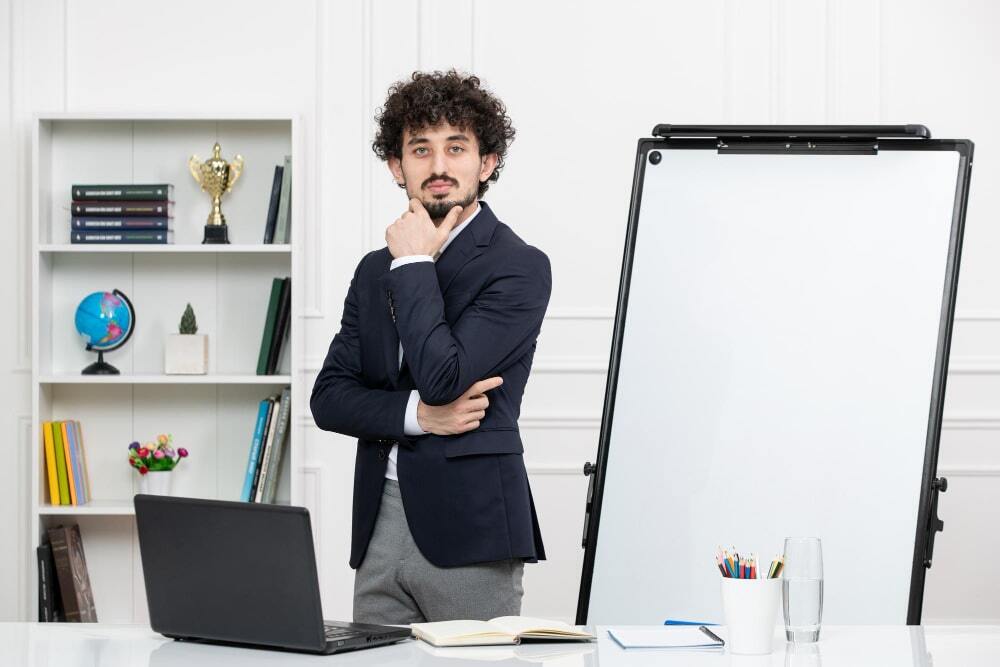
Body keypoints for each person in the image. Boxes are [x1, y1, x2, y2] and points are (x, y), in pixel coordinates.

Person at [310, 70, 552, 624]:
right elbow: (329, 399)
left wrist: (415, 262)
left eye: (456, 147)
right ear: (398, 167)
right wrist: (418, 415)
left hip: (469, 529)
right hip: (377, 526)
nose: (438, 166)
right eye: (421, 149)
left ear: (486, 163)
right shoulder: (374, 270)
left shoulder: (518, 267)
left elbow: (445, 375)